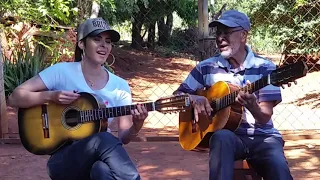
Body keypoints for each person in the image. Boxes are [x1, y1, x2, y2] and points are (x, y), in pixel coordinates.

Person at [8, 17, 148, 180]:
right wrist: (51, 96)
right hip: (63, 161)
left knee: (101, 171)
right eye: (97, 39)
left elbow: (124, 138)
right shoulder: (61, 72)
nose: (104, 45)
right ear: (81, 44)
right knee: (104, 138)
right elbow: (15, 97)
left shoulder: (120, 86)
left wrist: (137, 126)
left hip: (99, 158)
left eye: (108, 41)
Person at [173, 10, 293, 180]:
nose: (220, 37)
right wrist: (194, 98)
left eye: (227, 32)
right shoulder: (206, 67)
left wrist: (252, 106)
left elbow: (264, 118)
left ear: (243, 35)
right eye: (218, 32)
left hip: (263, 137)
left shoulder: (266, 69)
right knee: (221, 137)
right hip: (230, 139)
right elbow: (175, 97)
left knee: (279, 169)